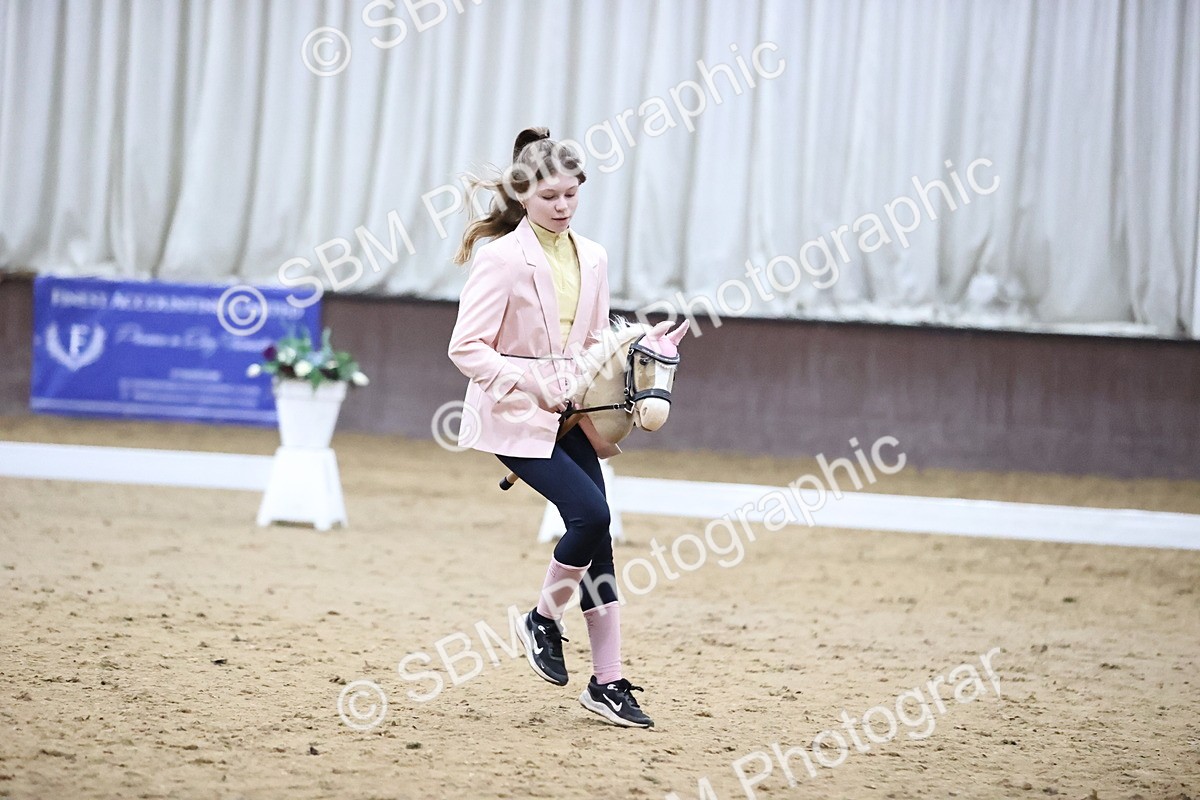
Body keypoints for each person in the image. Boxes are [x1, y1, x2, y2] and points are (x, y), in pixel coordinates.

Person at [447, 127, 653, 728]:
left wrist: (633, 358)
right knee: (590, 516)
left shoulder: (594, 256)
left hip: (570, 418)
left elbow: (592, 341)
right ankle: (542, 617)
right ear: (523, 197)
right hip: (511, 418)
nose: (563, 207)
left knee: (600, 545)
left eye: (571, 194)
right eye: (549, 198)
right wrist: (534, 383)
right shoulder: (501, 259)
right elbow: (467, 348)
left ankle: (607, 682)